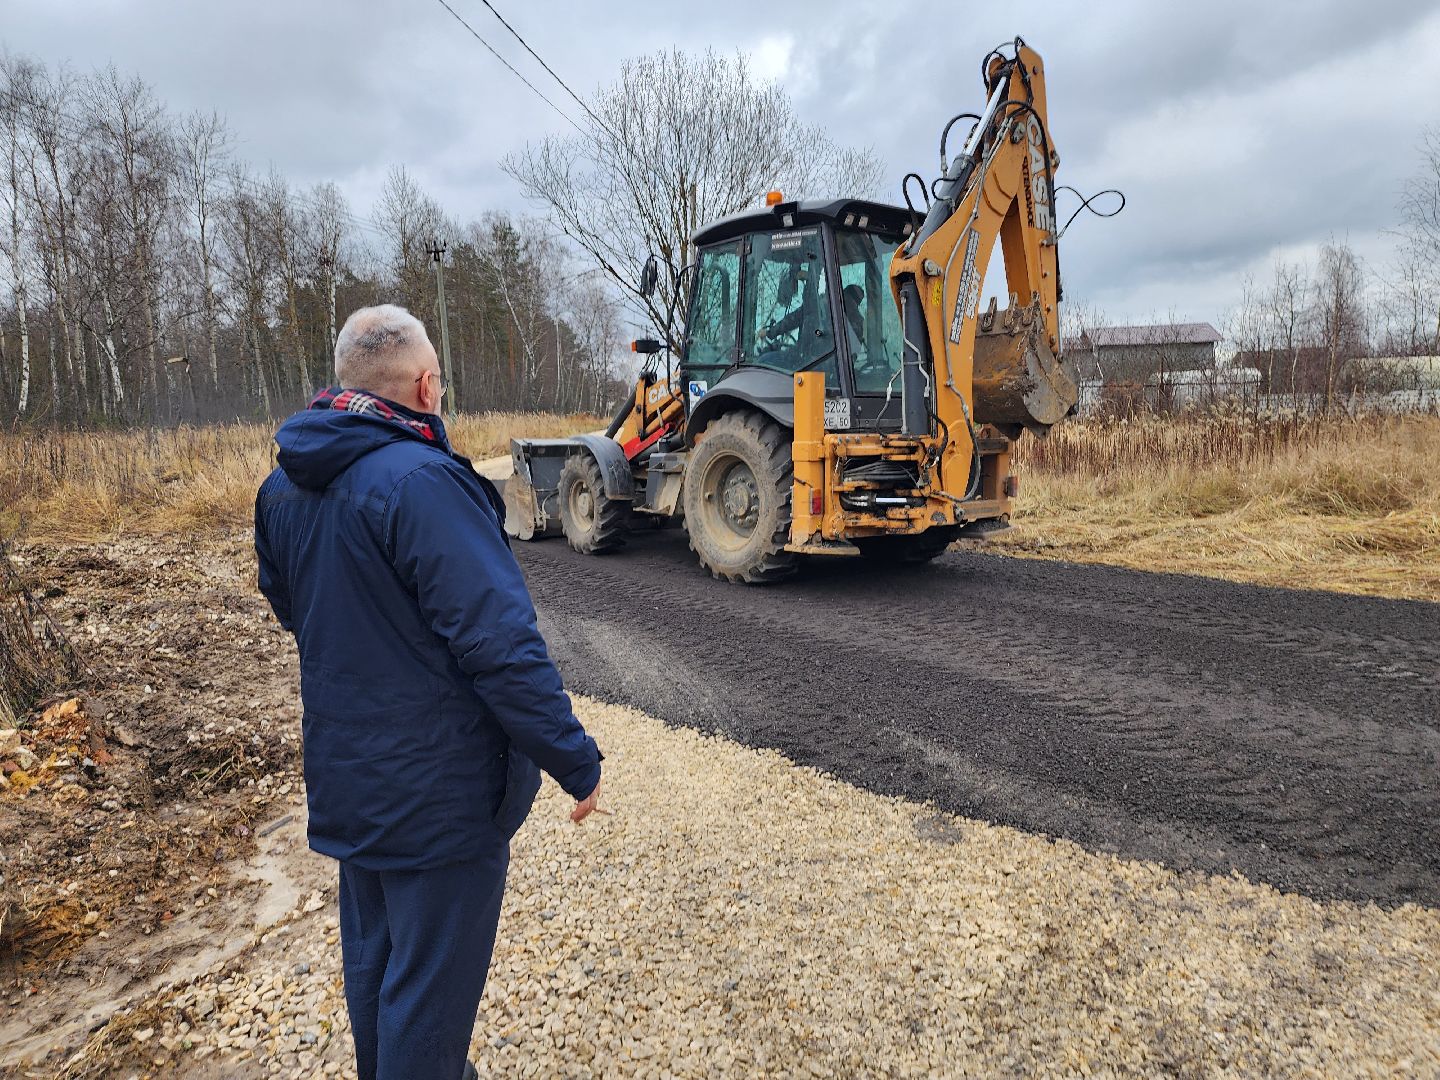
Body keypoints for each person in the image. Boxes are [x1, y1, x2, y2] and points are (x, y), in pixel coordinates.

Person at [253, 304, 604, 1080]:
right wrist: (574, 760)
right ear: (426, 383)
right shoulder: (423, 483)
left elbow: (295, 611)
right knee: (429, 998)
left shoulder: (281, 487)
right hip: (439, 799)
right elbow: (501, 647)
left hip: (350, 783)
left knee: (378, 969)